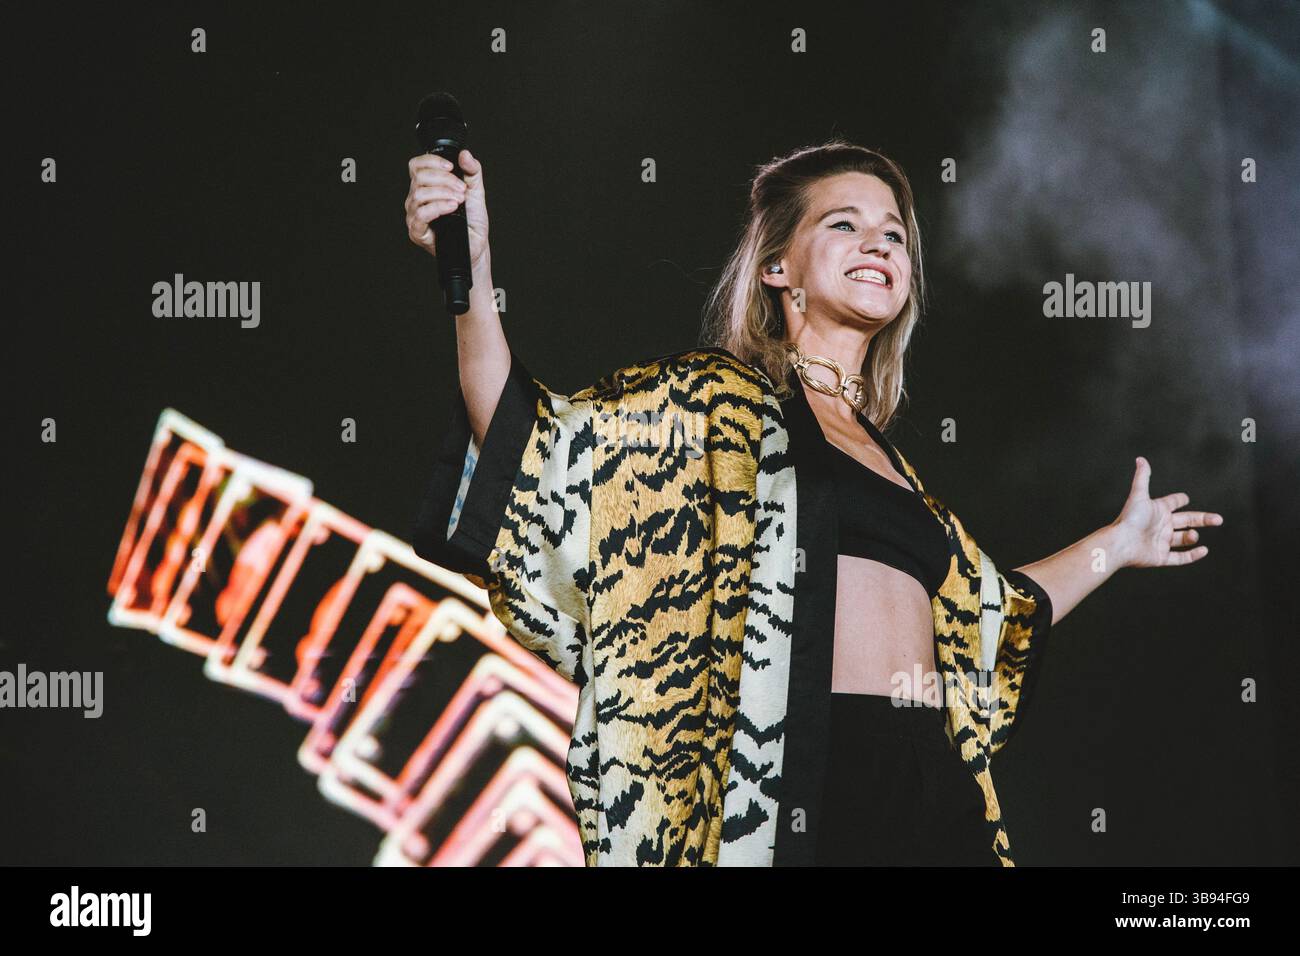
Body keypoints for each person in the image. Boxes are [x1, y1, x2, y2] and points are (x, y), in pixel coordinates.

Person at [405, 139, 1224, 867]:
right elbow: (530, 437)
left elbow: (998, 616)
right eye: (843, 223)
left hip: (935, 791)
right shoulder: (715, 410)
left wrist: (1119, 543)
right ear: (777, 267)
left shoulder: (898, 468)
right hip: (805, 789)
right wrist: (471, 267)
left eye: (894, 232)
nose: (878, 241)